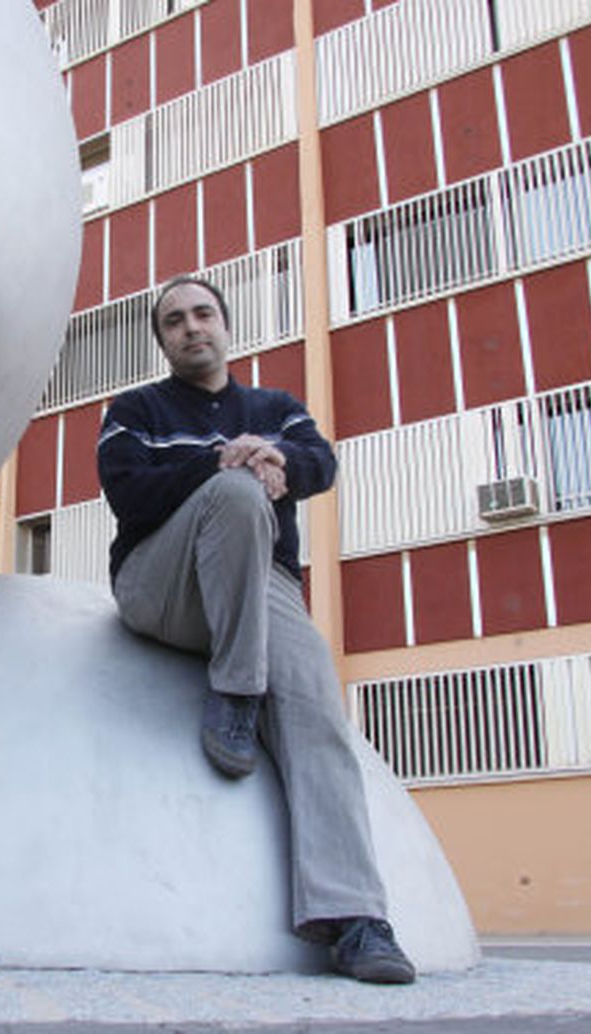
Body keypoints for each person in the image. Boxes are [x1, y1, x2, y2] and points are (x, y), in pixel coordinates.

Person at [95, 275, 416, 984]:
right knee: (236, 492)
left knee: (317, 707)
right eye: (174, 321)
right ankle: (238, 690)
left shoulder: (276, 409)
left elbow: (320, 464)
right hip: (162, 584)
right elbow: (128, 492)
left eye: (202, 313)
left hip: (263, 586)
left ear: (225, 324)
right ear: (162, 340)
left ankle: (356, 920)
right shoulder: (135, 410)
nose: (190, 327)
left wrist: (277, 461)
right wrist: (220, 463)